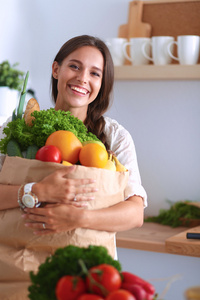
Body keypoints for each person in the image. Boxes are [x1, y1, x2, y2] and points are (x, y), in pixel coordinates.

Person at [0, 35, 147, 258]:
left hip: (85, 266)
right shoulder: (16, 128)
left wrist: (79, 218)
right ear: (56, 69)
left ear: (101, 83)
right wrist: (37, 191)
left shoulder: (114, 136)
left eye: (94, 73)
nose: (82, 78)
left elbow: (135, 213)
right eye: (74, 67)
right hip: (18, 263)